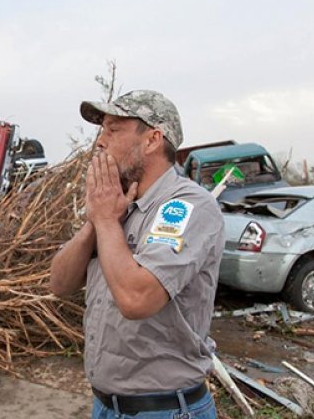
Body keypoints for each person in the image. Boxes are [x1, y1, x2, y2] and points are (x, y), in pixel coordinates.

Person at [50, 90, 225, 419]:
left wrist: (104, 219)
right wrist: (95, 222)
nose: (100, 142)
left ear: (152, 140)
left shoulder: (187, 205)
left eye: (113, 130)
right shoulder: (116, 206)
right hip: (105, 406)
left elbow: (136, 298)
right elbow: (59, 284)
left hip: (164, 410)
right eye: (101, 131)